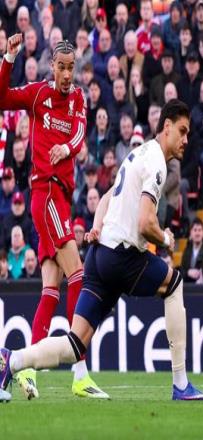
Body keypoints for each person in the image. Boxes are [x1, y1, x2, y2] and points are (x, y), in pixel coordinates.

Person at [0, 99, 203, 402]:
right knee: (174, 284)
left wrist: (97, 227)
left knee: (75, 345)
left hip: (99, 257)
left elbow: (106, 198)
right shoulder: (156, 163)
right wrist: (165, 239)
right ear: (167, 127)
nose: (186, 139)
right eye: (182, 131)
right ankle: (181, 384)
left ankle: (12, 360)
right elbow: (145, 223)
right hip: (122, 257)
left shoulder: (136, 155)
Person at [0, 33, 106, 399]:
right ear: (52, 67)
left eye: (71, 68)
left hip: (62, 198)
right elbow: (2, 98)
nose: (66, 74)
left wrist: (67, 147)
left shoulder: (78, 99)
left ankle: (25, 370)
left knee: (50, 290)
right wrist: (9, 59)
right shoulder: (38, 95)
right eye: (61, 67)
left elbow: (79, 134)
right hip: (44, 193)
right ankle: (80, 373)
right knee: (79, 274)